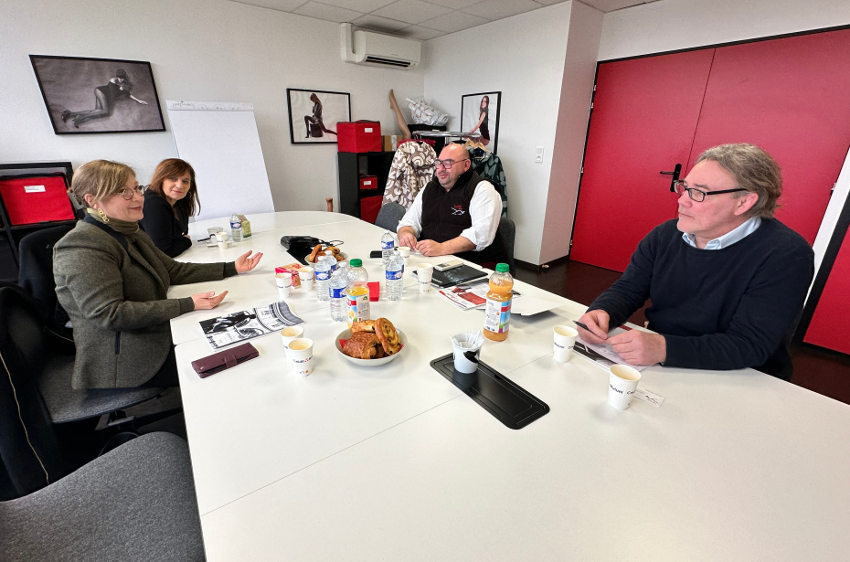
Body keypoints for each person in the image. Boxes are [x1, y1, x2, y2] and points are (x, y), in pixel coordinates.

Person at [576, 143, 814, 380]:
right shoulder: (665, 235)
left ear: (744, 202)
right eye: (684, 188)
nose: (682, 201)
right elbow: (629, 288)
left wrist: (663, 348)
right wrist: (602, 310)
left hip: (741, 376)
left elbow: (749, 345)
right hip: (664, 362)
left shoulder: (786, 255)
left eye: (699, 193)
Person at [53, 160, 263, 390]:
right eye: (124, 192)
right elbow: (110, 314)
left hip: (153, 330)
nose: (137, 197)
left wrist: (231, 267)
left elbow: (172, 270)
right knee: (237, 359)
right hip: (128, 359)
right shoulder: (82, 246)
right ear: (92, 200)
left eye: (136, 188)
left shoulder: (129, 230)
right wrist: (187, 304)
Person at [397, 142, 505, 265]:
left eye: (448, 163)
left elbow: (481, 236)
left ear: (466, 165)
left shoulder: (482, 189)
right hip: (434, 261)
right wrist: (406, 234)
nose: (441, 169)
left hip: (474, 264)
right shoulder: (429, 188)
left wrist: (441, 248)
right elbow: (409, 221)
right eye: (439, 163)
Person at [140, 158, 199, 257]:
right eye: (173, 179)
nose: (180, 185)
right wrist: (186, 241)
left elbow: (180, 235)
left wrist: (181, 240)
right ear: (161, 179)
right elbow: (163, 251)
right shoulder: (153, 203)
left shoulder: (179, 201)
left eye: (185, 181)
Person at [60, 69, 148, 128]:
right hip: (100, 92)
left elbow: (128, 94)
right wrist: (120, 88)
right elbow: (112, 94)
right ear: (117, 76)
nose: (120, 79)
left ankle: (69, 114)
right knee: (105, 112)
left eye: (121, 78)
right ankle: (79, 119)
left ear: (124, 78)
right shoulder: (113, 80)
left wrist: (139, 100)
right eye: (119, 77)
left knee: (97, 111)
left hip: (105, 94)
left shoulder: (125, 84)